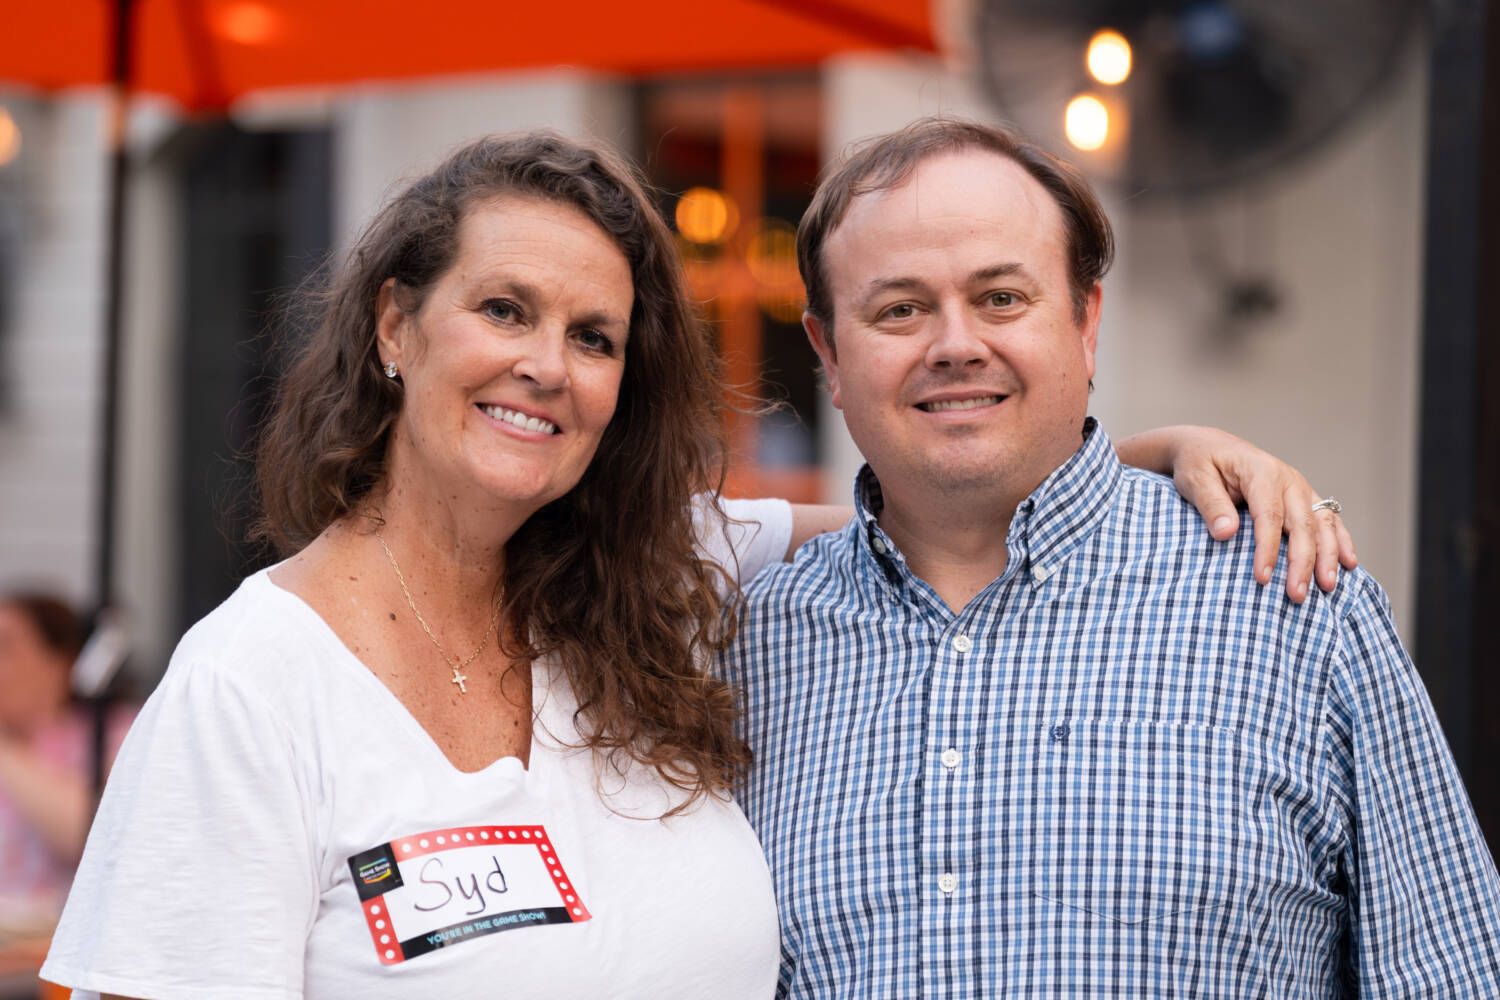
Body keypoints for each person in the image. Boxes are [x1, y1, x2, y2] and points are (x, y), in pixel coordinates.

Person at [43, 130, 1347, 1000]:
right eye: (504, 309)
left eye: (595, 337)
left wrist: (1163, 456)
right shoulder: (251, 683)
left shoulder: (656, 583)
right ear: (395, 323)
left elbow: (944, 503)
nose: (546, 366)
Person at [729, 116, 1500, 998]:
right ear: (829, 353)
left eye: (1001, 298)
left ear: (1086, 322)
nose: (955, 345)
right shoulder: (739, 653)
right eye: (899, 309)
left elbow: (1450, 975)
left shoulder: (1296, 603)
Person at [0, 593, 128, 924]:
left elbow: (80, 833)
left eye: (5, 647)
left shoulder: (112, 734)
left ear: (58, 663)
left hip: (58, 936)